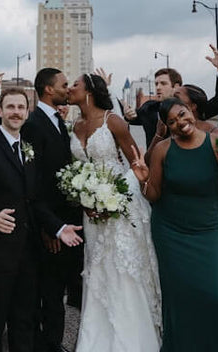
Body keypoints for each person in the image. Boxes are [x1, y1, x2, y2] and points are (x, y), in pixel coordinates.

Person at [131, 97, 218, 351]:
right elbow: (154, 195)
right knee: (180, 300)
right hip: (170, 233)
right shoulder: (162, 150)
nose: (181, 123)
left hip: (207, 230)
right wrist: (142, 180)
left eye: (182, 115)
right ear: (168, 127)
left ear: (190, 111)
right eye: (172, 122)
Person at [0, 88, 83, 352]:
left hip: (28, 253)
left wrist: (58, 228)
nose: (16, 112)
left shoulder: (28, 149)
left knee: (24, 322)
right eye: (10, 107)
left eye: (21, 107)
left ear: (27, 111)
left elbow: (34, 201)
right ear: (0, 111)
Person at [68, 73, 162, 352]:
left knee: (121, 270)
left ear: (90, 92)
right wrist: (85, 198)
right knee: (96, 270)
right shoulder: (75, 124)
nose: (70, 88)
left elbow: (136, 164)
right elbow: (77, 170)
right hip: (90, 211)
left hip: (120, 208)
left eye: (75, 84)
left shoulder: (114, 122)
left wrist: (113, 199)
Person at [124, 44, 218, 147]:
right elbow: (134, 117)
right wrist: (129, 115)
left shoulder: (190, 109)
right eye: (156, 84)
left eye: (163, 83)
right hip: (157, 162)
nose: (158, 87)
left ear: (176, 86)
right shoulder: (149, 108)